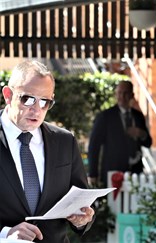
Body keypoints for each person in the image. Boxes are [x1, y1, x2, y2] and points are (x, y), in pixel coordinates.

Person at [0, 60, 95, 243]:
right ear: (8, 95)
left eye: (45, 102)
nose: (37, 109)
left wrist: (82, 219)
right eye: (27, 99)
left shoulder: (65, 141)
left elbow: (82, 201)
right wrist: (5, 234)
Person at [88, 80, 152, 187]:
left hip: (135, 172)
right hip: (112, 173)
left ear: (132, 95)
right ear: (115, 94)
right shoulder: (105, 117)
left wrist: (142, 134)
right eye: (119, 93)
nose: (122, 96)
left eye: (125, 93)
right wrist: (93, 174)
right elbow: (94, 146)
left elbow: (148, 143)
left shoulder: (138, 116)